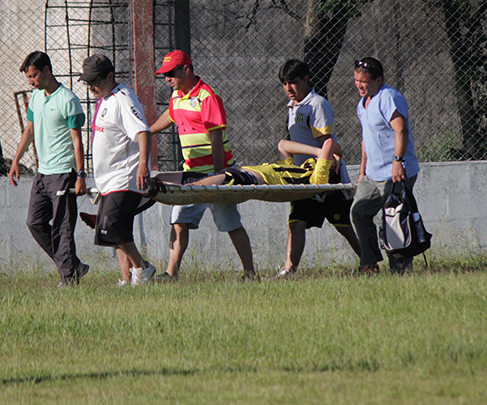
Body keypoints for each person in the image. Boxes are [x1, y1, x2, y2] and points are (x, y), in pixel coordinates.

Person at [150, 50, 258, 281]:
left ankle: (250, 273)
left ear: (186, 70)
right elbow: (170, 116)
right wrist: (147, 132)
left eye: (171, 73)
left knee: (231, 224)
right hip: (191, 174)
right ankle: (171, 274)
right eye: (164, 74)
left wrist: (220, 176)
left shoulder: (207, 96)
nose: (167, 79)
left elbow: (216, 137)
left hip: (215, 173)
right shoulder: (176, 96)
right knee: (178, 220)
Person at [273, 59, 361, 280]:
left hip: (327, 177)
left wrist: (332, 160)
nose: (288, 88)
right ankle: (289, 271)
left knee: (344, 225)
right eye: (284, 83)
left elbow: (328, 143)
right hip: (305, 177)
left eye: (292, 82)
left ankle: (368, 260)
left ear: (305, 79)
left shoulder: (317, 104)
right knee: (296, 223)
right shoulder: (294, 107)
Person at [9, 51, 90, 287]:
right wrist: (16, 161)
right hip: (42, 173)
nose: (31, 81)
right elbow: (29, 130)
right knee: (34, 223)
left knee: (63, 227)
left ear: (47, 70)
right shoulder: (35, 97)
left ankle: (69, 279)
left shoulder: (68, 99)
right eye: (28, 78)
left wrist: (81, 175)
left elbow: (77, 140)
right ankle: (73, 265)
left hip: (63, 172)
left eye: (34, 76)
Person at [79, 54, 156, 286]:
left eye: (95, 80)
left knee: (110, 228)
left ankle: (143, 268)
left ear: (110, 76)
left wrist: (143, 164)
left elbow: (143, 132)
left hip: (125, 176)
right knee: (118, 231)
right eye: (87, 81)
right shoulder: (104, 99)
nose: (90, 86)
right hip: (108, 179)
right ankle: (128, 278)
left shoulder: (124, 98)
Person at [350, 56, 421, 274]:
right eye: (356, 80)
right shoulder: (363, 104)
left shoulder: (389, 97)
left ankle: (401, 270)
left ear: (378, 80)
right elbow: (366, 139)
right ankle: (369, 263)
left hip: (395, 173)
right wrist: (362, 171)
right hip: (372, 174)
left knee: (394, 220)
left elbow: (401, 130)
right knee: (358, 213)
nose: (359, 85)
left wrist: (398, 162)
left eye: (365, 81)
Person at [188, 139, 340, 187]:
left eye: (328, 159)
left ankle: (185, 188)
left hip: (251, 179)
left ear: (329, 167)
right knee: (190, 178)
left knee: (193, 187)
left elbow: (329, 142)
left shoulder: (317, 179)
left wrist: (336, 155)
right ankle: (178, 185)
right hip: (243, 172)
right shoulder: (296, 170)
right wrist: (319, 152)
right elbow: (282, 145)